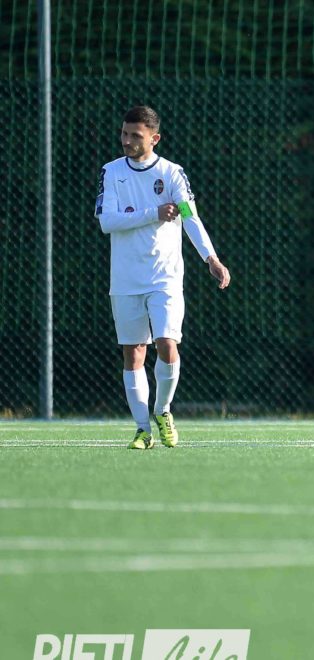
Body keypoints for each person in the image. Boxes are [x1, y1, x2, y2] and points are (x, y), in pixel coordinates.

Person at [95, 105, 231, 449]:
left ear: (154, 139)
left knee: (167, 345)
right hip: (126, 278)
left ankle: (163, 410)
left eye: (135, 136)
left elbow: (189, 216)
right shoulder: (112, 172)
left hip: (165, 277)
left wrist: (211, 258)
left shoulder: (172, 174)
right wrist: (152, 213)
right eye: (124, 133)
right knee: (134, 353)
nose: (127, 140)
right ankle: (143, 429)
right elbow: (107, 221)